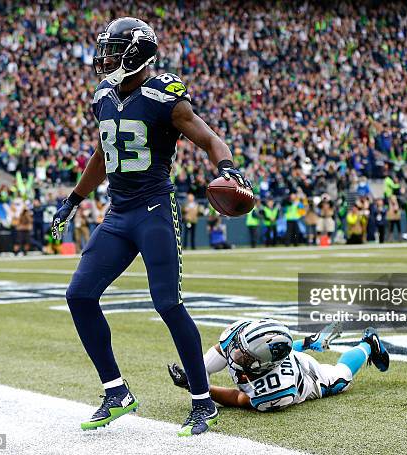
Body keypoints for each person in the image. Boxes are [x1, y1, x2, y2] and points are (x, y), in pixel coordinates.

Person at [50, 17, 251, 436]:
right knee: (79, 295)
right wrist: (73, 199)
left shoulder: (165, 97)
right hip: (118, 213)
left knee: (167, 304)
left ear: (136, 54)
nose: (103, 59)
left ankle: (202, 401)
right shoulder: (104, 95)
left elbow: (211, 139)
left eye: (113, 50)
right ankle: (116, 391)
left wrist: (228, 169)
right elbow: (104, 155)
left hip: (154, 210)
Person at [167, 319, 389, 412]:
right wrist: (196, 380)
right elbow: (211, 359)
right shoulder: (240, 337)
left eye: (244, 356)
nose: (235, 354)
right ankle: (311, 341)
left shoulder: (277, 390)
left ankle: (369, 344)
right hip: (281, 357)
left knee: (342, 377)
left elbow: (237, 398)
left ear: (263, 364)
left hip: (309, 378)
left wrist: (194, 387)